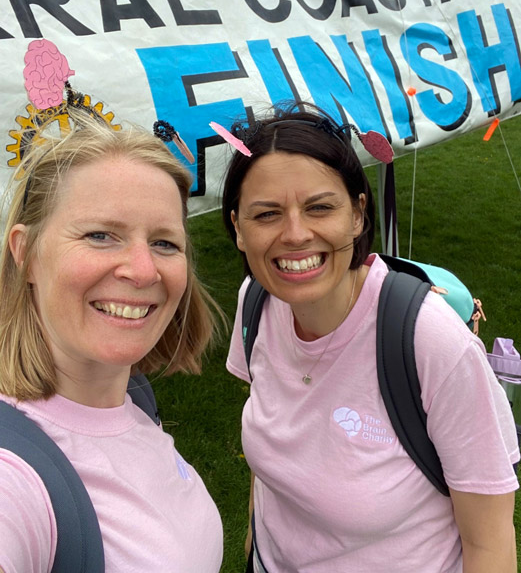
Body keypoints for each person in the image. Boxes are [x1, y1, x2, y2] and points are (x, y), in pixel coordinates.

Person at [221, 103, 519, 573]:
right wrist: (255, 542)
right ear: (238, 228)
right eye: (267, 214)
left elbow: (490, 543)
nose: (295, 234)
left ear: (359, 214)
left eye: (320, 207)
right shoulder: (256, 301)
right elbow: (275, 437)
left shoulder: (431, 343)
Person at [0, 109, 223, 572]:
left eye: (165, 243)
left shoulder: (132, 396)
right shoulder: (13, 476)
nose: (142, 271)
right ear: (25, 253)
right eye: (101, 235)